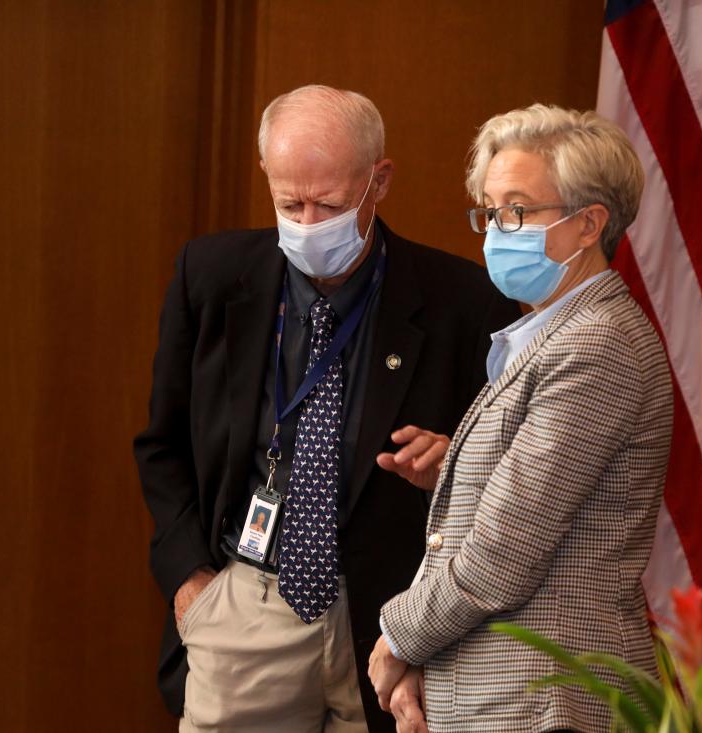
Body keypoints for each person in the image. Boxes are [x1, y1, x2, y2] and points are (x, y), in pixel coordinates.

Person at [133, 84, 518, 732]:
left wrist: (457, 458)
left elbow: (514, 474)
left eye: (330, 205)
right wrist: (190, 579)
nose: (309, 224)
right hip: (248, 607)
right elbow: (161, 442)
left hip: (398, 626)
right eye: (291, 203)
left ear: (379, 181)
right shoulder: (210, 275)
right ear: (267, 175)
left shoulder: (466, 303)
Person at [368, 104, 673, 733]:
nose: (495, 231)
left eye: (517, 210)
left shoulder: (595, 344)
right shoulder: (553, 331)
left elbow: (504, 551)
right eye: (489, 210)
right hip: (503, 690)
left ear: (589, 223)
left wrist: (399, 640)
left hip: (546, 695)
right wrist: (456, 464)